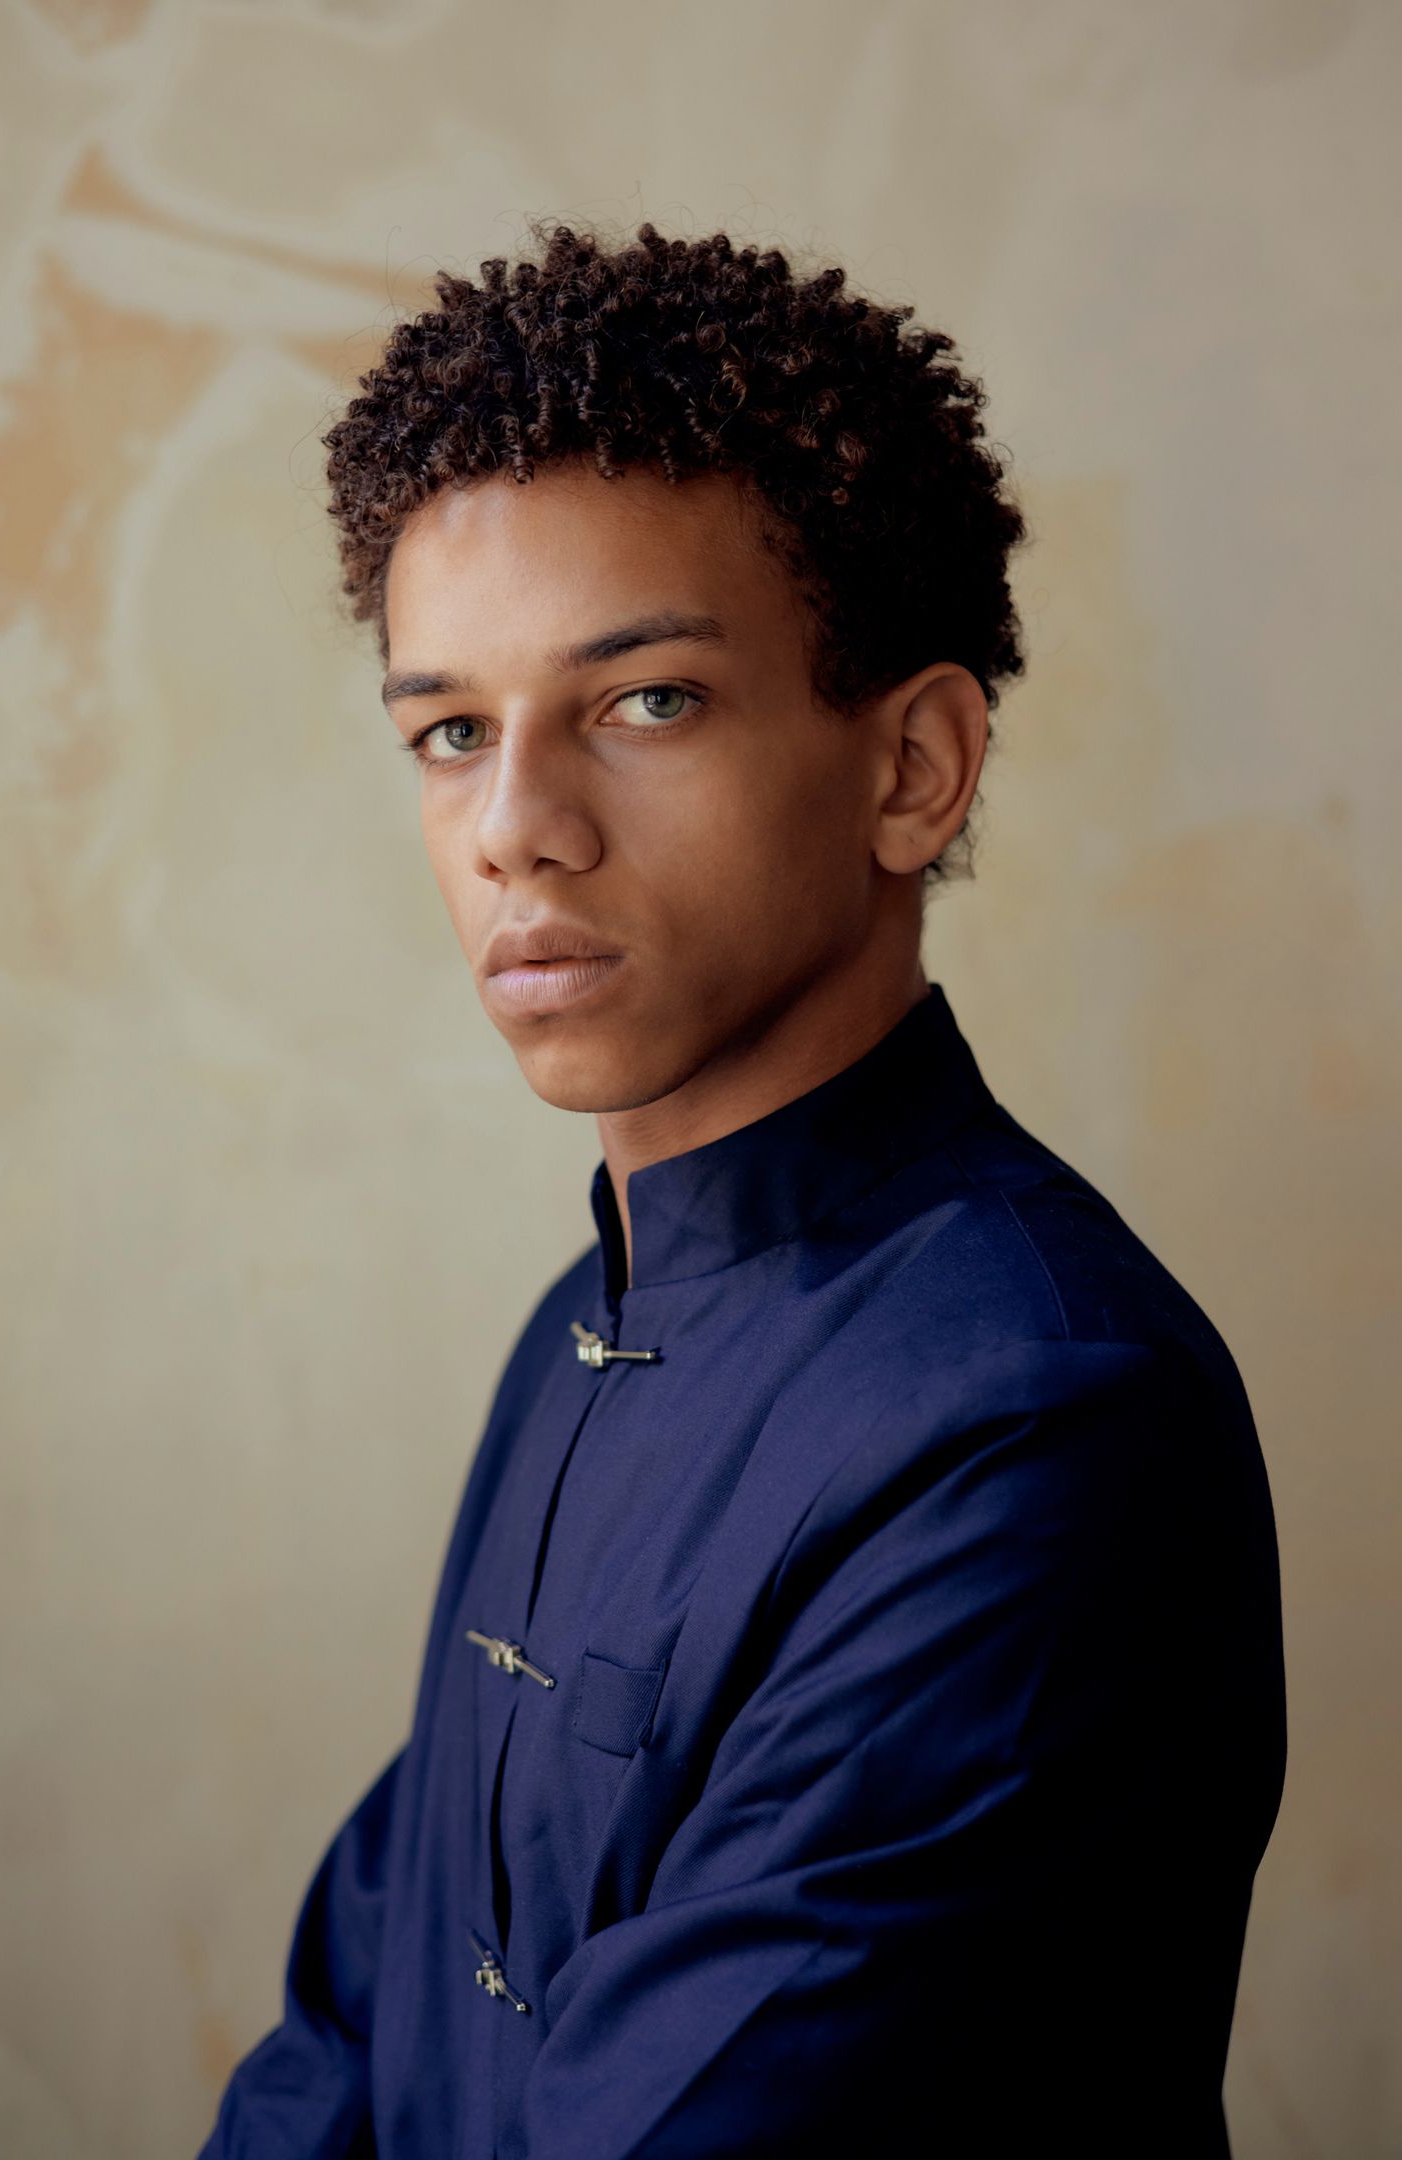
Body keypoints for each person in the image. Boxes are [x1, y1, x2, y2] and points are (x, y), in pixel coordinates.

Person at [199, 219, 1286, 2159]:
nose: (515, 829)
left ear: (913, 767)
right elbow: (363, 2007)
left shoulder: (1039, 1428)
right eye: (450, 733)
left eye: (647, 702)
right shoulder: (580, 1323)